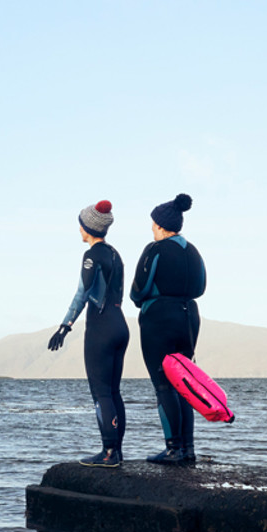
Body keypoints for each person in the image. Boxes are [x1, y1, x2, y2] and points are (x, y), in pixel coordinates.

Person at [47, 200, 128, 467]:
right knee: (114, 392)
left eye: (81, 225)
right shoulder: (116, 254)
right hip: (121, 325)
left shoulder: (91, 256)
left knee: (101, 392)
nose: (79, 229)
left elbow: (82, 294)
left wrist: (64, 326)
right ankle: (117, 450)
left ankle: (108, 453)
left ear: (89, 228)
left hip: (101, 329)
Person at [130, 192, 205, 465]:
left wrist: (149, 301)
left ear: (161, 226)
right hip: (189, 318)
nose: (151, 228)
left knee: (164, 385)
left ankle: (173, 448)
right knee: (184, 383)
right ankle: (188, 449)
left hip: (159, 318)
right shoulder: (193, 250)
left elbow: (138, 290)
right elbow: (201, 287)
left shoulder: (155, 249)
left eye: (153, 224)